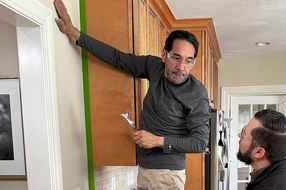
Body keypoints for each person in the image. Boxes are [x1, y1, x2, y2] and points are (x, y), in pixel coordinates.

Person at [53, 0, 210, 189]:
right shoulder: (154, 68)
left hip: (168, 174)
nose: (181, 67)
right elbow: (118, 58)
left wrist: (157, 141)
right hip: (145, 168)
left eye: (188, 61)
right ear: (164, 55)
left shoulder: (197, 93)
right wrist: (75, 34)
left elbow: (200, 143)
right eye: (176, 57)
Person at [237, 109, 286, 190]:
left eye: (244, 135)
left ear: (259, 152)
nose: (239, 135)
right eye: (243, 129)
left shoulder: (268, 187)